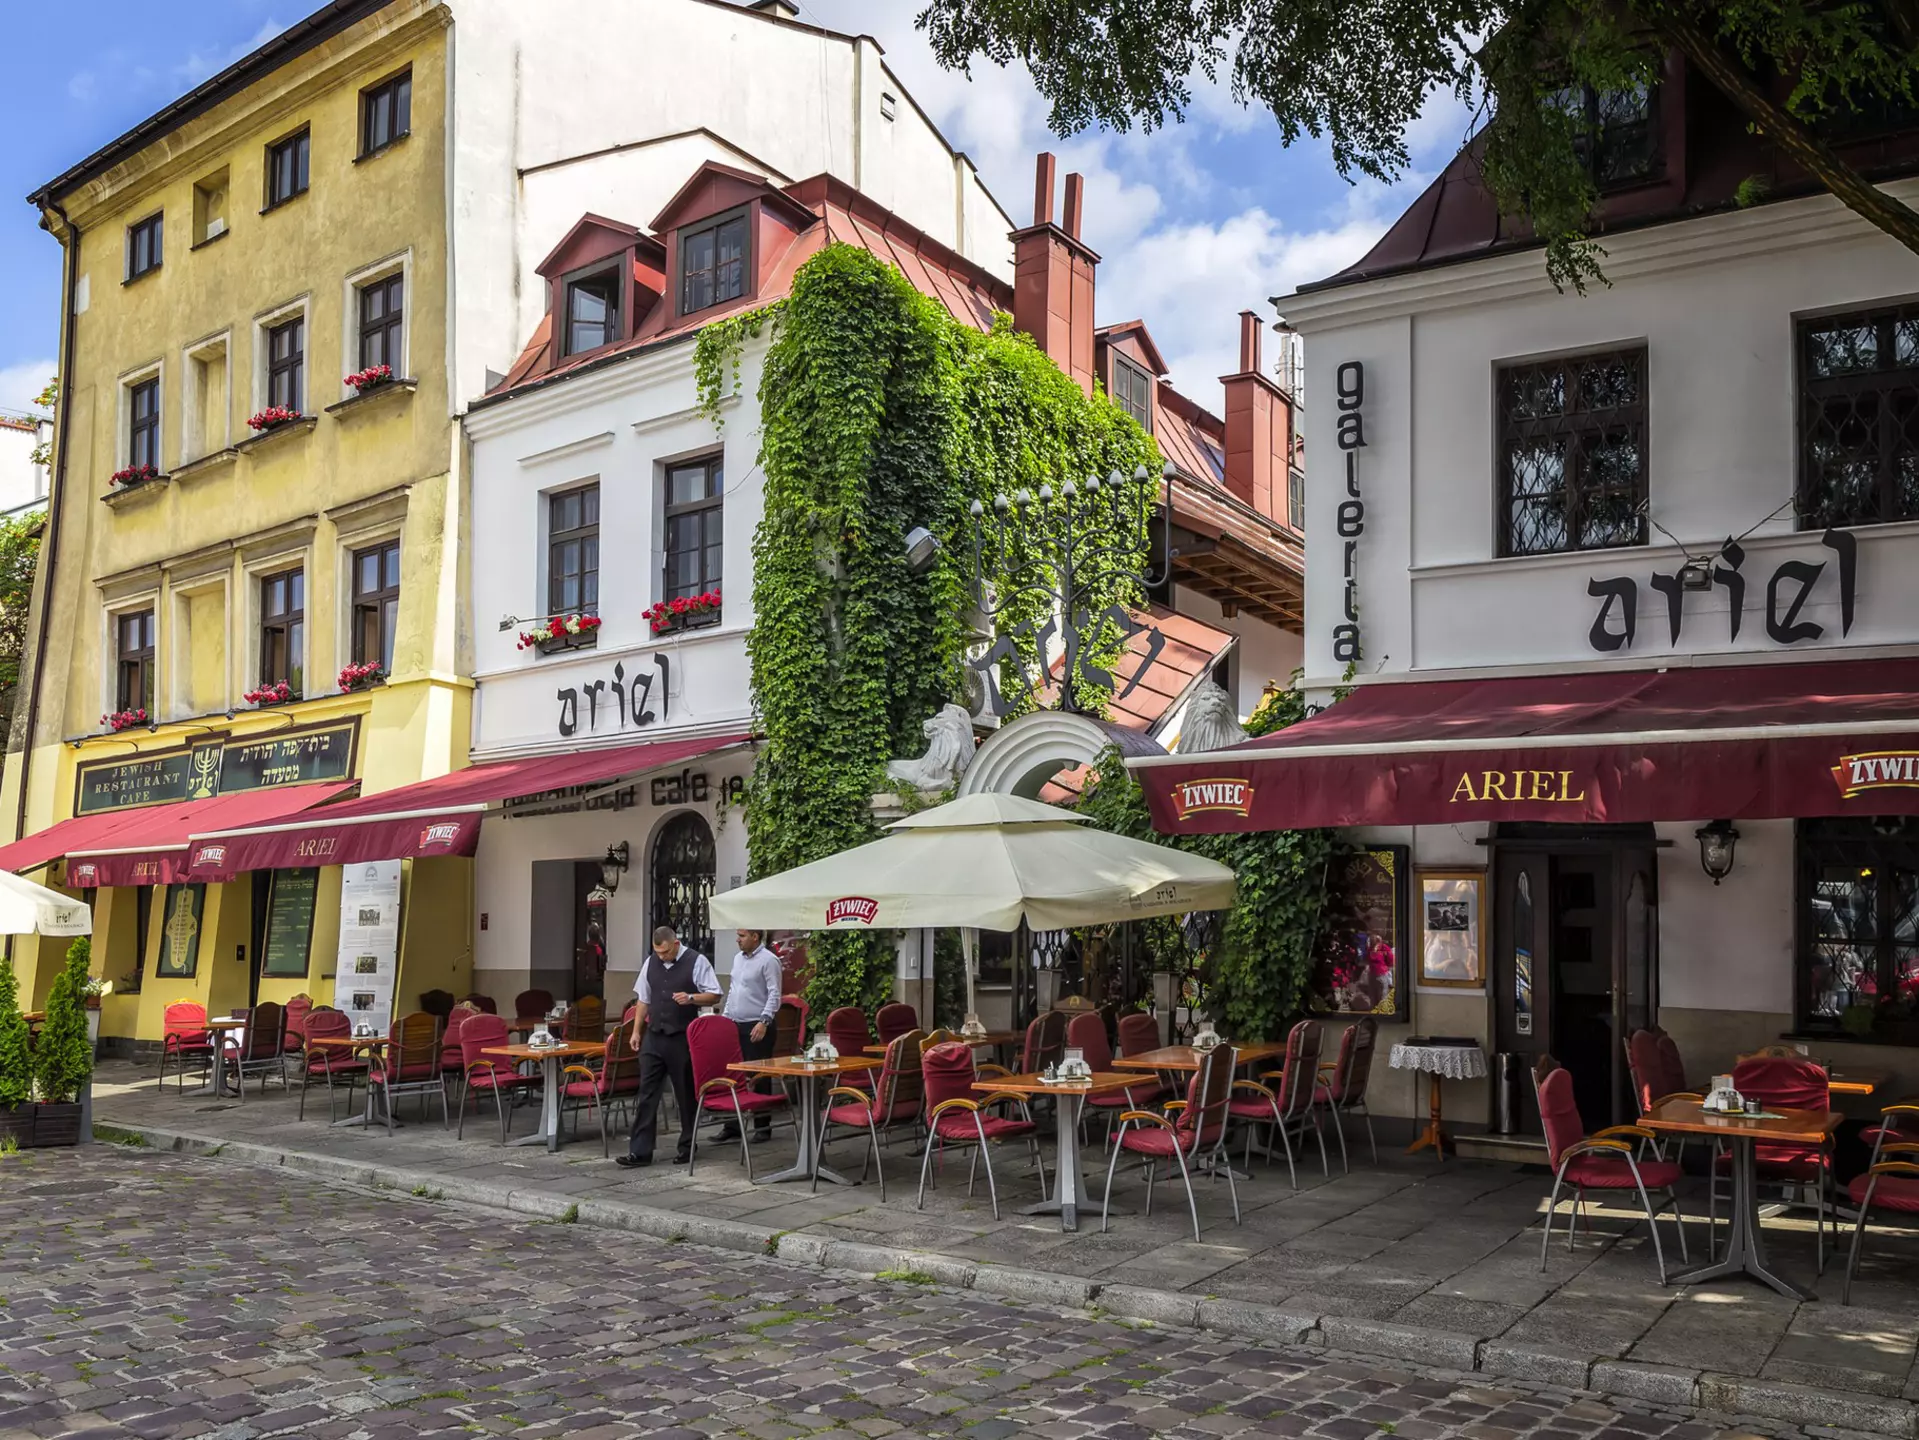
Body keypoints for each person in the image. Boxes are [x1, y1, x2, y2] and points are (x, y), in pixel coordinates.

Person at [615, 924, 720, 1169]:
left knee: (684, 1094)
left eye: (664, 953)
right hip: (654, 1035)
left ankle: (687, 1146)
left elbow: (715, 994)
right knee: (647, 1093)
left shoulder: (697, 961)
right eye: (657, 953)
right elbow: (644, 998)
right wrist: (636, 1031)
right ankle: (640, 1152)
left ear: (675, 944)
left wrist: (691, 997)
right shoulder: (651, 962)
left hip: (682, 1037)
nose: (661, 957)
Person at [713, 928, 782, 1144]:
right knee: (734, 1075)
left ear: (755, 937)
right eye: (738, 935)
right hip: (736, 1022)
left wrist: (764, 1020)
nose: (737, 940)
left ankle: (763, 1126)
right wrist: (725, 1017)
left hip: (758, 1024)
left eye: (742, 936)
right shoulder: (737, 959)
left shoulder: (769, 960)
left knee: (759, 1075)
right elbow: (733, 989)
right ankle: (732, 1124)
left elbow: (774, 993)